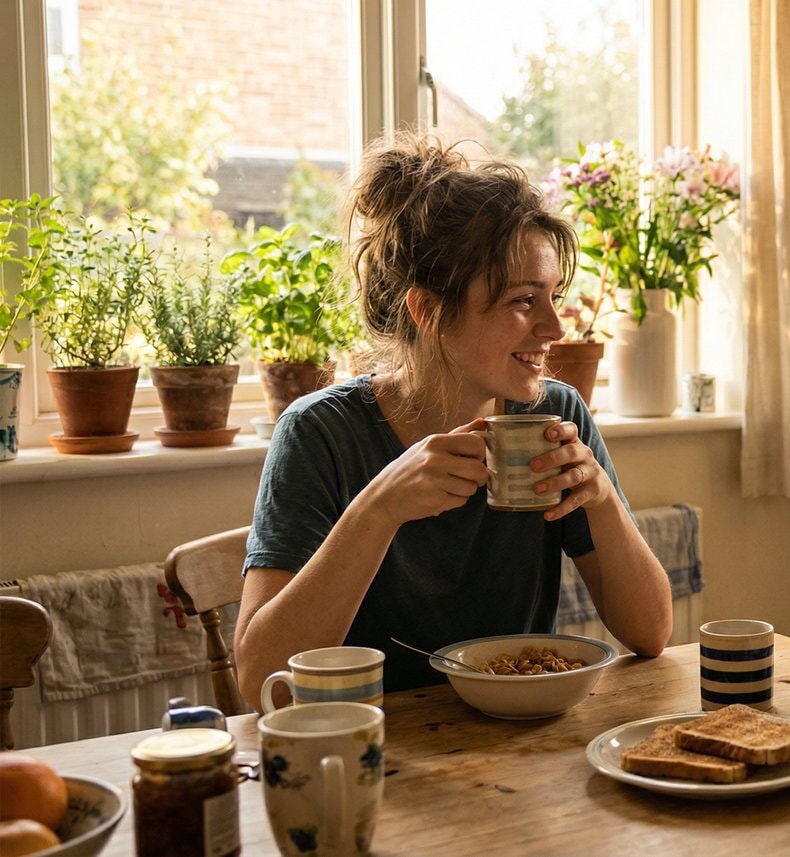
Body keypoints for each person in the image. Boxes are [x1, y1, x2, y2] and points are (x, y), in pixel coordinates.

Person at [233, 133, 673, 702]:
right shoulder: (320, 434)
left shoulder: (553, 416)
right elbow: (259, 678)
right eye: (522, 300)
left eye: (553, 297)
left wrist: (602, 499)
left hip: (522, 747)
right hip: (371, 748)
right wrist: (380, 506)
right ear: (429, 309)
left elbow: (651, 633)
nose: (554, 329)